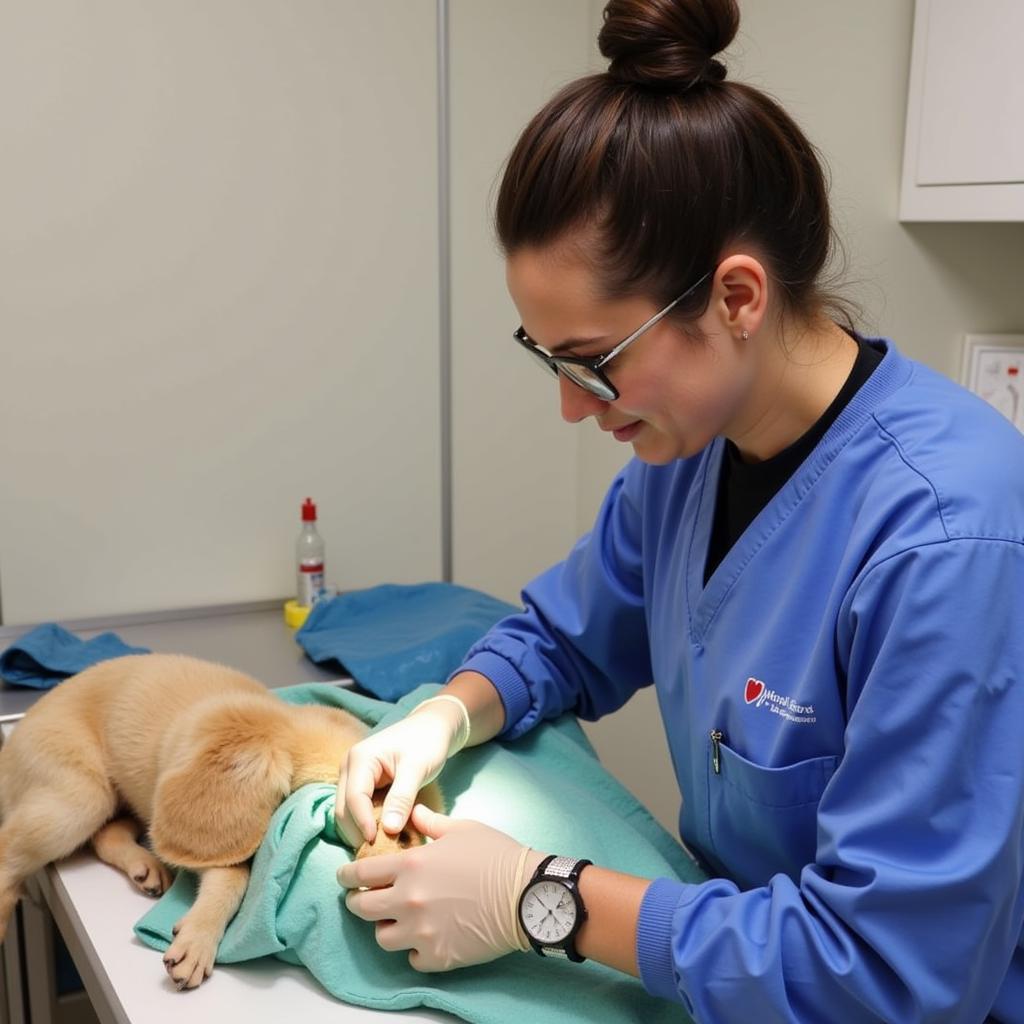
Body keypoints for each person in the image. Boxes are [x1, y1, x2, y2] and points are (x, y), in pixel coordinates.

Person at [334, 0, 1024, 1020]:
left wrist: (541, 899)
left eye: (594, 363)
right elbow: (565, 640)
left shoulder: (946, 537)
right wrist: (444, 714)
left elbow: (892, 974)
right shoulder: (687, 459)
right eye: (549, 359)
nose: (573, 406)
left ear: (736, 298)